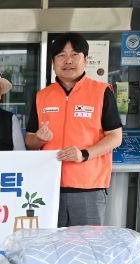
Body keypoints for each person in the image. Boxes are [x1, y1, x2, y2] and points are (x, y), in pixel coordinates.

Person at [25, 32, 123, 227]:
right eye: (61, 55)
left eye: (74, 55)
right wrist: (39, 139)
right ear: (53, 63)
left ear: (85, 60)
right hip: (49, 187)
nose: (68, 61)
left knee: (87, 244)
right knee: (50, 243)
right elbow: (29, 141)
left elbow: (115, 137)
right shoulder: (42, 96)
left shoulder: (101, 92)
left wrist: (84, 154)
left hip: (89, 188)